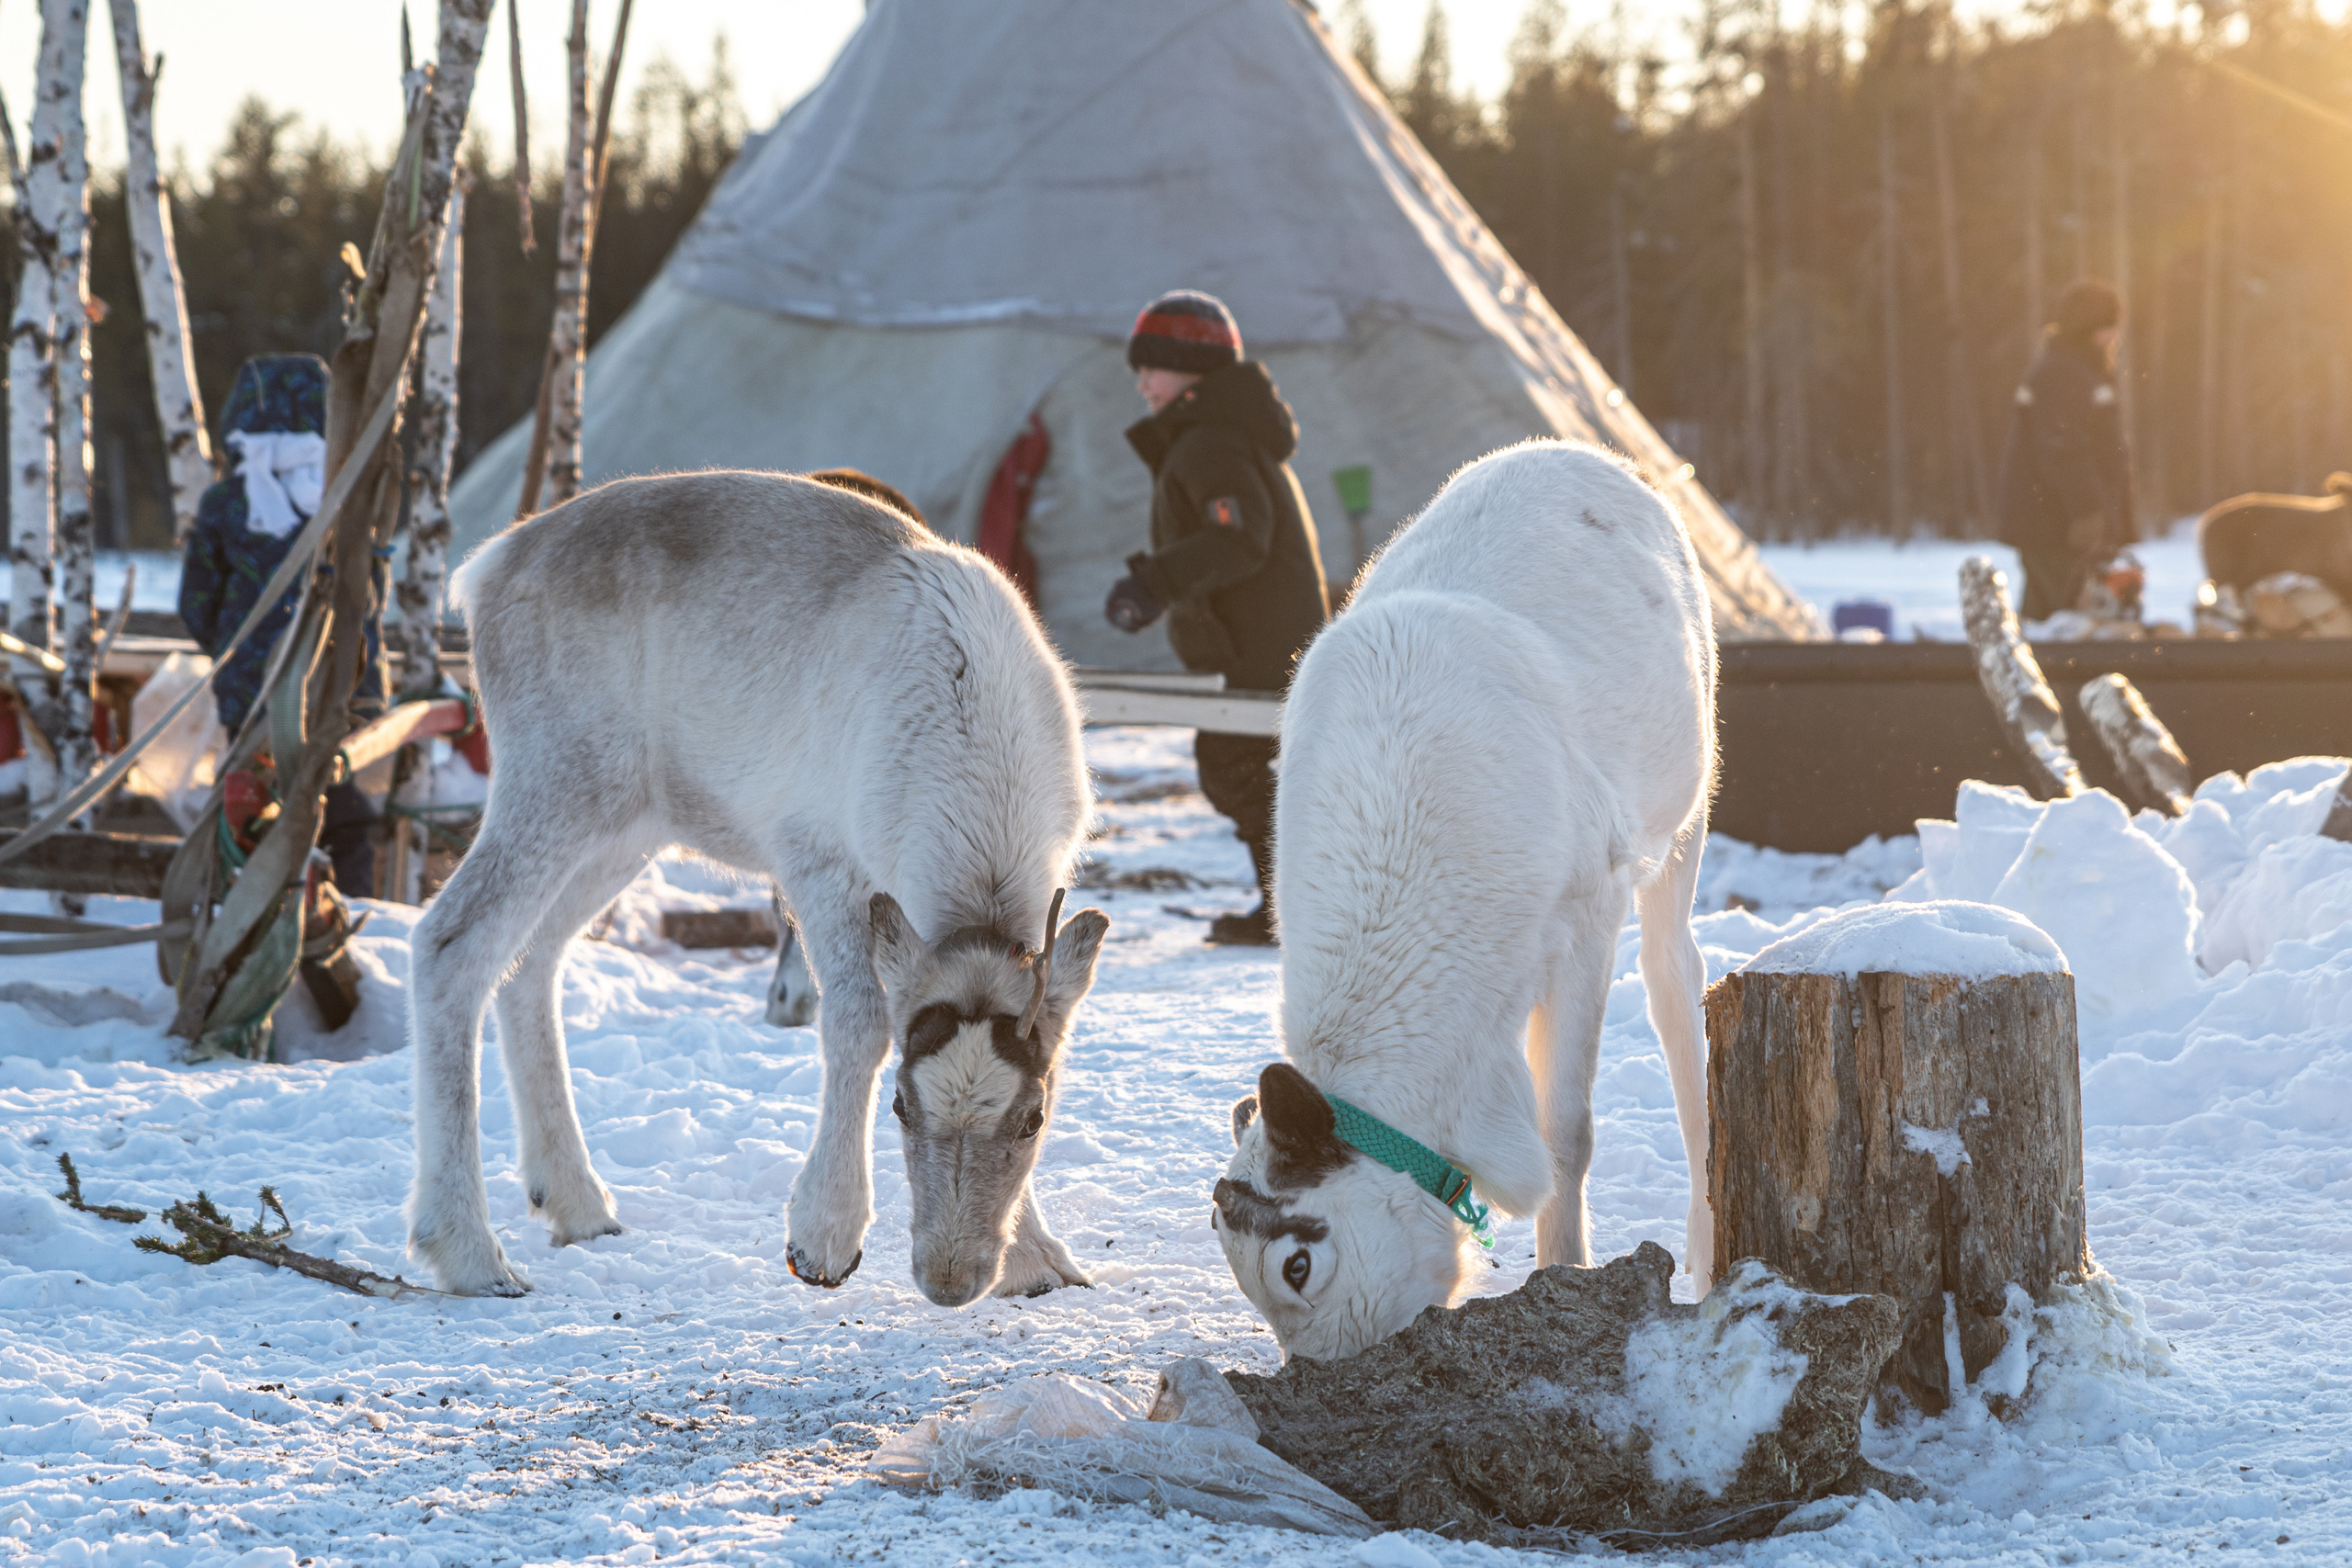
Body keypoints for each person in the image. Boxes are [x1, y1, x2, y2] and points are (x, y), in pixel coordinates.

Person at [1103, 290, 1329, 945]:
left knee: (1243, 767)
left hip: (1257, 648)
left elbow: (1240, 535)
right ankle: (1290, 908)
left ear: (1190, 367)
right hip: (1260, 643)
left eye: (1152, 367)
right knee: (1253, 769)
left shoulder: (1210, 442)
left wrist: (1153, 585)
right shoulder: (1217, 435)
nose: (1141, 383)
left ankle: (1292, 913)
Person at [178, 354, 387, 898]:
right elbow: (369, 598)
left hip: (250, 692)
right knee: (339, 813)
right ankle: (350, 917)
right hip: (330, 687)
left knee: (248, 807)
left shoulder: (226, 503)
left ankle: (235, 913)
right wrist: (365, 684)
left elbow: (195, 604)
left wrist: (236, 656)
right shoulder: (346, 500)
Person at [1996, 278, 2138, 622]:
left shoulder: (2083, 370)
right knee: (2068, 621)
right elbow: (2062, 448)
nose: (2114, 336)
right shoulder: (2062, 372)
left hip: (2062, 527)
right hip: (2057, 528)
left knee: (2052, 618)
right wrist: (2088, 512)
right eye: (2107, 327)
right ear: (2089, 327)